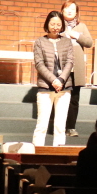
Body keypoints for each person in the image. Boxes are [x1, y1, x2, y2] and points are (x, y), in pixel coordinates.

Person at [33, 11, 75, 147]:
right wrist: (53, 80)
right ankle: (36, 154)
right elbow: (39, 64)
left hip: (64, 87)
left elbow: (70, 62)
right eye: (52, 24)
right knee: (42, 125)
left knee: (60, 126)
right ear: (47, 24)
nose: (55, 27)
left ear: (62, 25)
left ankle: (59, 154)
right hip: (45, 87)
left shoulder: (67, 42)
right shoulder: (40, 42)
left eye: (58, 24)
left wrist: (61, 80)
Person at [59, 0, 93, 138]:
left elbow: (89, 42)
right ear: (62, 10)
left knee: (74, 98)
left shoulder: (81, 26)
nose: (70, 11)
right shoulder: (58, 25)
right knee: (59, 96)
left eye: (73, 9)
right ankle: (58, 126)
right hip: (61, 67)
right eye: (67, 8)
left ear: (76, 12)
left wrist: (76, 35)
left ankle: (71, 127)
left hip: (76, 68)